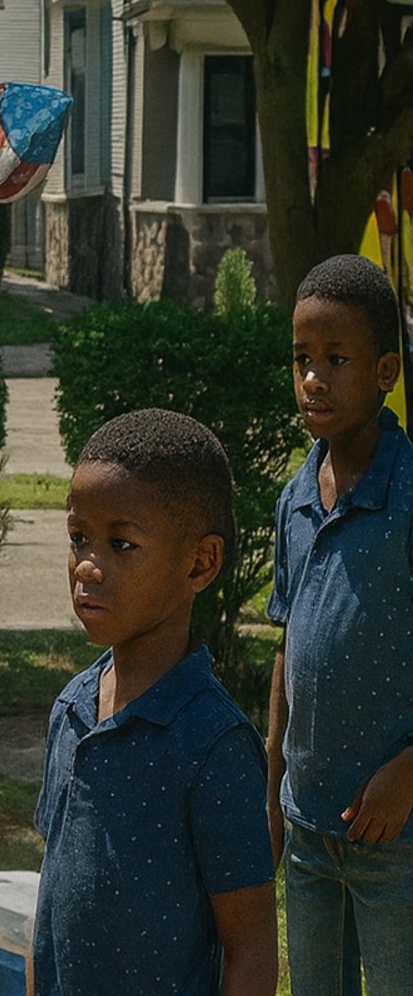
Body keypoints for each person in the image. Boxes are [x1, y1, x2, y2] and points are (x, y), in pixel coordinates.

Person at [34, 409, 276, 996]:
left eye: (121, 543)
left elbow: (252, 951)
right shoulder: (71, 712)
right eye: (78, 537)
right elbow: (50, 911)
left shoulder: (214, 744)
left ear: (200, 562)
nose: (88, 564)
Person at [267, 254, 413, 996]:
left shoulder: (411, 495)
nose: (313, 379)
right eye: (301, 360)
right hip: (309, 829)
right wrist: (271, 790)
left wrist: (409, 771)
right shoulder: (297, 496)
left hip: (398, 832)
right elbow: (289, 646)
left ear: (386, 370)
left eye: (335, 359)